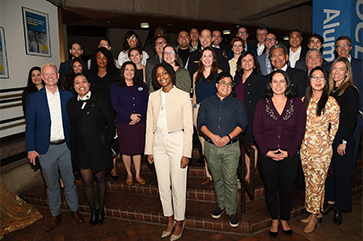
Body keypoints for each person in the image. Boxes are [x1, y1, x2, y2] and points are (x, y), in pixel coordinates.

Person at [25, 63, 84, 231]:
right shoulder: (34, 99)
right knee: (52, 185)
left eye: (53, 74)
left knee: (70, 182)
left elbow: (74, 122)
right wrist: (31, 149)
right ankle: (55, 215)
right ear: (42, 77)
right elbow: (30, 126)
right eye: (46, 74)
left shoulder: (68, 96)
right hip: (45, 149)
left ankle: (74, 211)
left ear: (58, 76)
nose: (50, 77)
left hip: (66, 147)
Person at [253, 70, 306, 238]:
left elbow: (300, 130)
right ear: (270, 84)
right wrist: (266, 151)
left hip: (289, 154)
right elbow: (256, 130)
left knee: (287, 188)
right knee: (270, 188)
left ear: (287, 83)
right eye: (274, 81)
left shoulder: (296, 103)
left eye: (281, 81)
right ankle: (274, 219)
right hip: (267, 154)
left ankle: (284, 218)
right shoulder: (262, 103)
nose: (277, 85)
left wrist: (289, 151)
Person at [145, 62, 193, 240]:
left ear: (171, 74)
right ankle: (169, 219)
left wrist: (186, 153)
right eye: (158, 75)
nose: (162, 77)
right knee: (163, 185)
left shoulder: (183, 95)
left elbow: (189, 127)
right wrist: (148, 149)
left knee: (178, 184)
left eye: (165, 73)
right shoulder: (153, 97)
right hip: (158, 142)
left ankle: (180, 220)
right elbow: (149, 124)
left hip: (177, 141)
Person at [198, 72, 247, 228]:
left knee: (230, 180)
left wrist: (227, 137)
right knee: (217, 179)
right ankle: (221, 204)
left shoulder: (237, 103)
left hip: (231, 147)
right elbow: (200, 123)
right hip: (211, 147)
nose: (226, 86)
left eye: (229, 84)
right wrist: (212, 136)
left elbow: (242, 123)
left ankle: (232, 211)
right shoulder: (206, 102)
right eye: (223, 83)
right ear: (217, 85)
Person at [67, 73, 115, 226]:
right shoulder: (71, 104)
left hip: (98, 147)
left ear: (89, 83)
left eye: (84, 82)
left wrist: (105, 142)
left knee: (100, 178)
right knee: (86, 181)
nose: (81, 85)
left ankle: (101, 209)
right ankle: (93, 210)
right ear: (74, 87)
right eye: (77, 83)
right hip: (81, 149)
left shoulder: (99, 100)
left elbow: (110, 123)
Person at [300, 66, 340, 233]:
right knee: (310, 183)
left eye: (321, 78)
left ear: (325, 81)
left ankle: (314, 217)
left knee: (317, 184)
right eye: (314, 77)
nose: (317, 81)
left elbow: (335, 126)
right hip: (304, 149)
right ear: (310, 81)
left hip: (321, 151)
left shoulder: (331, 101)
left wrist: (326, 143)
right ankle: (314, 211)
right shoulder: (304, 100)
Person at [323, 57, 359, 225]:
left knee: (342, 173)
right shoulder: (330, 90)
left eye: (341, 69)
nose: (337, 72)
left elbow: (352, 118)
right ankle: (330, 201)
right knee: (330, 171)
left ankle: (340, 207)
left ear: (347, 72)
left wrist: (343, 141)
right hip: (329, 135)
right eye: (335, 68)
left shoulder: (350, 90)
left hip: (343, 135)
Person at [327, 36, 363, 176]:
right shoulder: (330, 67)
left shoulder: (360, 64)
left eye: (345, 45)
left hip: (355, 116)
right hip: (335, 123)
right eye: (339, 46)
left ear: (350, 47)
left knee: (350, 152)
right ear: (335, 49)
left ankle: (347, 180)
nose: (342, 48)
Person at [111, 61, 149, 186]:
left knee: (137, 149)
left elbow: (146, 103)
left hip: (140, 122)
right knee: (126, 149)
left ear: (135, 72)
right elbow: (115, 105)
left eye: (132, 70)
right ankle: (129, 174)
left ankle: (138, 174)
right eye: (126, 69)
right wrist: (129, 116)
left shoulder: (142, 86)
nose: (129, 72)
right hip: (124, 123)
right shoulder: (116, 86)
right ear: (122, 71)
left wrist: (139, 116)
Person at [233, 51, 267, 182]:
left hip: (253, 117)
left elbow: (262, 101)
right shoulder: (236, 79)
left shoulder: (260, 79)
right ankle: (241, 171)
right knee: (241, 145)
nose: (247, 62)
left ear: (254, 63)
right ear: (240, 64)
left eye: (250, 60)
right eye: (244, 60)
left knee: (251, 145)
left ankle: (249, 174)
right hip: (238, 118)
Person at [192, 47, 223, 189]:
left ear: (214, 58)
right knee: (204, 147)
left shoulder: (220, 74)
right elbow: (194, 97)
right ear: (201, 58)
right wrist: (194, 115)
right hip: (200, 113)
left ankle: (216, 176)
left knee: (214, 148)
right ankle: (208, 175)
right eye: (204, 56)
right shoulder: (196, 75)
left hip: (215, 113)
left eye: (210, 56)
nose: (207, 58)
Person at [90, 47, 119, 179]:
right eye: (99, 57)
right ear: (95, 60)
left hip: (112, 110)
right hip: (96, 113)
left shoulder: (115, 74)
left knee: (113, 138)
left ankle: (113, 164)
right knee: (100, 139)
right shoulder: (90, 75)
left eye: (104, 57)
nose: (102, 60)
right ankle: (103, 165)